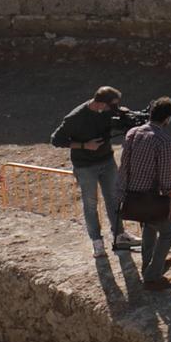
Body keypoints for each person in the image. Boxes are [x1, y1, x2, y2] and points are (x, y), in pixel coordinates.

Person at [50, 85, 146, 256]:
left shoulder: (107, 111)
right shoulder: (74, 118)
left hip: (107, 161)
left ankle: (119, 235)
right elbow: (56, 139)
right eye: (113, 105)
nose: (115, 109)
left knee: (114, 199)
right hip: (85, 166)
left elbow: (119, 120)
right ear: (102, 104)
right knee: (90, 204)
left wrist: (126, 115)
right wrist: (84, 145)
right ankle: (97, 242)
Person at [117, 98, 171, 290]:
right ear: (168, 118)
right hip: (150, 195)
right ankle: (152, 277)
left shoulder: (133, 133)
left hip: (131, 194)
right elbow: (164, 173)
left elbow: (124, 164)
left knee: (149, 228)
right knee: (169, 232)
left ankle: (149, 263)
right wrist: (169, 195)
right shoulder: (164, 140)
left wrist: (122, 192)